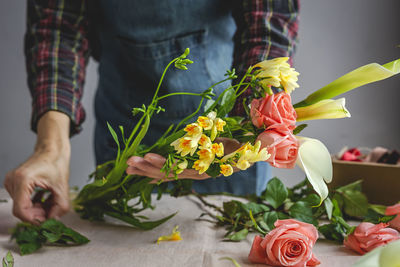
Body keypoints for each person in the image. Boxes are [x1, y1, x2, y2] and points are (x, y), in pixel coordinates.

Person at [4, 0, 299, 224]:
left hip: (224, 136)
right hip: (123, 126)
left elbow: (269, 22)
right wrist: (51, 148)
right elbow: (57, 25)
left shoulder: (234, 135)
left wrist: (249, 128)